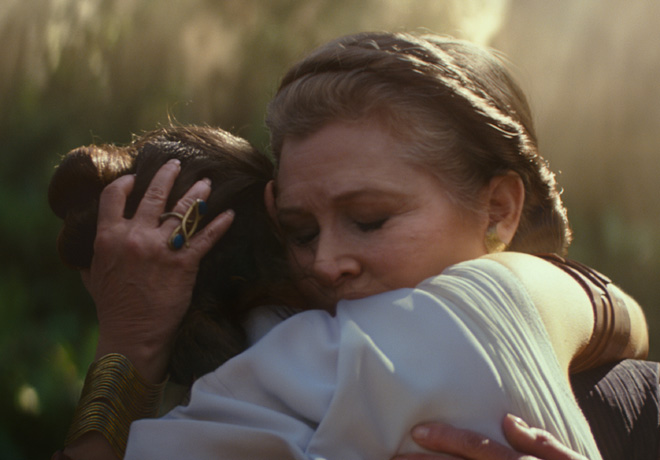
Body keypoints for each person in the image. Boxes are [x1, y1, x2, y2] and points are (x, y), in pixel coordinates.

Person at [51, 32, 651, 460]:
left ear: (498, 209)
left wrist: (127, 348)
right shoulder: (512, 306)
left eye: (369, 219)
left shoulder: (472, 312)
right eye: (300, 232)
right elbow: (623, 317)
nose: (325, 263)